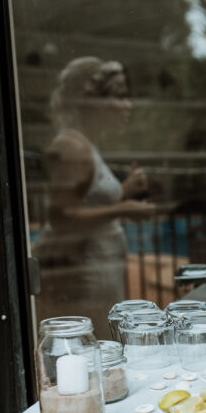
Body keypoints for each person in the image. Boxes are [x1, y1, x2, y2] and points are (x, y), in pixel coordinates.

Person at [33, 57, 155, 337]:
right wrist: (123, 207)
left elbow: (88, 203)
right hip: (81, 278)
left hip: (97, 271)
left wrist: (125, 191)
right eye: (120, 97)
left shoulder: (86, 145)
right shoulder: (70, 148)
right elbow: (62, 219)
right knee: (93, 347)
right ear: (91, 102)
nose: (129, 105)